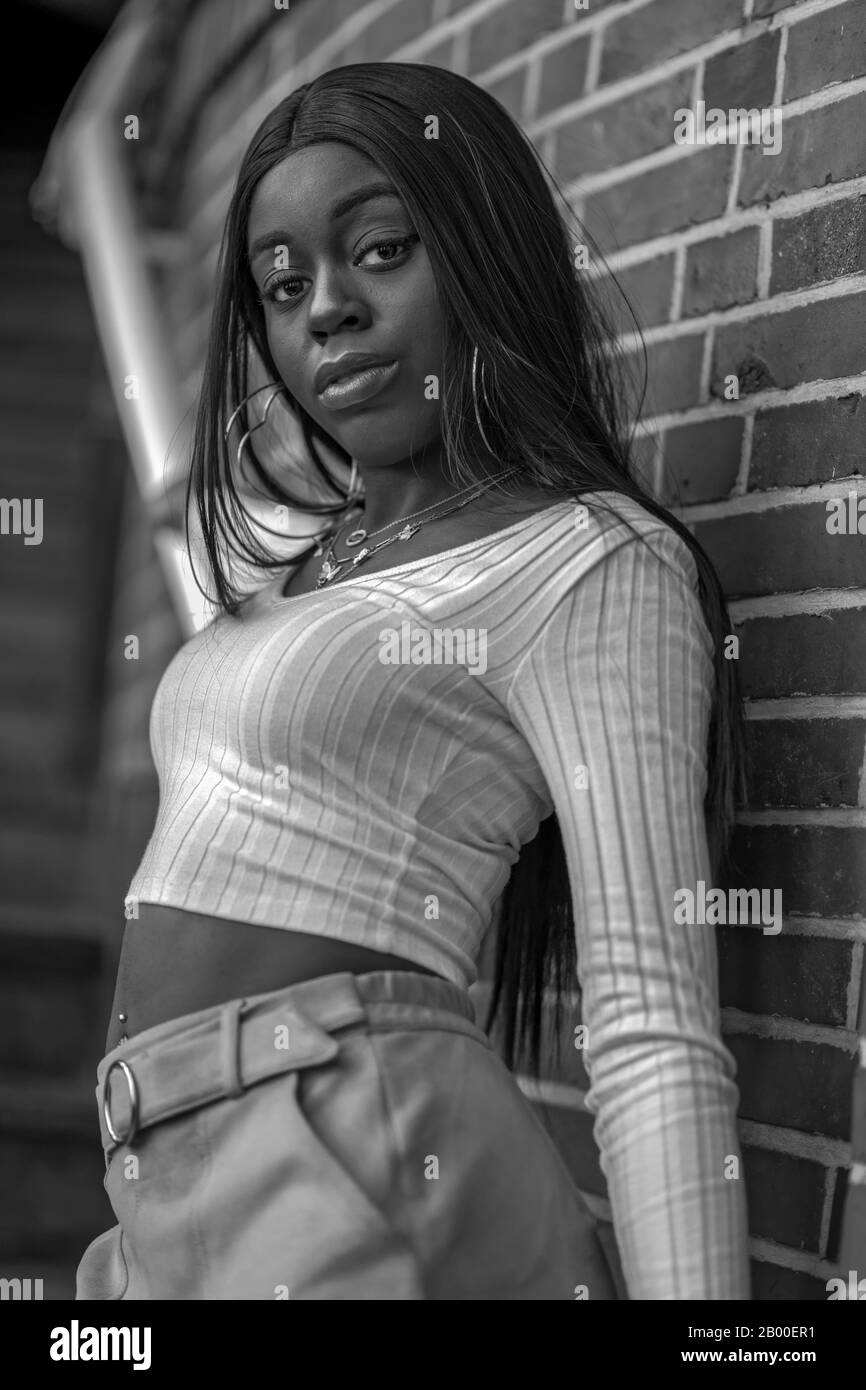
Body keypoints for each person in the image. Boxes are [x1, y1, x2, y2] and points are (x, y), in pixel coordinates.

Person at [75, 61, 751, 1300]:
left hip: (351, 1162)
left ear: (481, 250)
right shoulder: (301, 562)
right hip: (160, 1192)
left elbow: (650, 1024)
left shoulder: (584, 561)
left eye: (379, 250)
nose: (323, 309)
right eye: (283, 287)